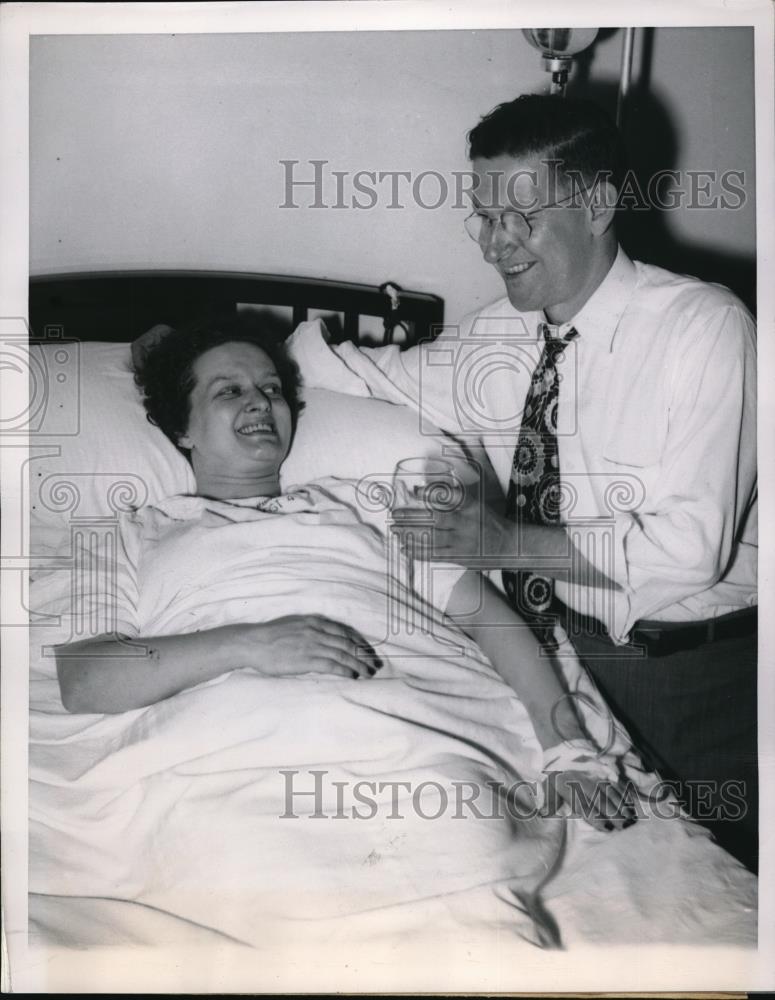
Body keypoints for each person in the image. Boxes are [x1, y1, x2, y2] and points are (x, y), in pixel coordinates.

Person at [333, 95, 758, 869]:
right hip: (569, 657)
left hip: (700, 674)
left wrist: (504, 542)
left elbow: (689, 551)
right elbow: (365, 371)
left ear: (597, 205)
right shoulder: (493, 335)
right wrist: (204, 351)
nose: (496, 245)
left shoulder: (703, 327)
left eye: (520, 219)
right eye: (483, 218)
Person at [56, 313, 636, 830]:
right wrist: (252, 644)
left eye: (270, 389)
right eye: (228, 391)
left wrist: (569, 752)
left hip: (405, 724)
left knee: (460, 826)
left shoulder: (372, 504)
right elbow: (84, 678)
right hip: (229, 732)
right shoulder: (120, 531)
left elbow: (491, 621)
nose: (259, 402)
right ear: (181, 428)